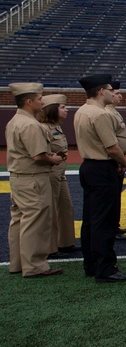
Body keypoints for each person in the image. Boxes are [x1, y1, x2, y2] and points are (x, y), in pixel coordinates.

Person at [75, 75, 126, 282]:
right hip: (102, 168)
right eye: (110, 89)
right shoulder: (99, 114)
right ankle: (105, 267)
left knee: (91, 220)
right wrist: (123, 163)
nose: (113, 92)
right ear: (101, 91)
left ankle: (91, 263)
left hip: (90, 167)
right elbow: (112, 147)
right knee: (104, 221)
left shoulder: (82, 110)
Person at [6, 83, 64, 278]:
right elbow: (38, 156)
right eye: (39, 98)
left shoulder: (14, 121)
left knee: (19, 220)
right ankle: (35, 265)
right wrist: (54, 158)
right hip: (33, 179)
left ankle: (17, 263)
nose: (42, 101)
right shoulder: (30, 124)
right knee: (36, 222)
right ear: (29, 101)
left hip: (18, 178)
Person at [38, 94, 77, 257]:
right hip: (50, 171)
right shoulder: (43, 128)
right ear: (52, 109)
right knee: (51, 208)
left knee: (65, 207)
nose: (66, 109)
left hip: (60, 172)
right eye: (62, 107)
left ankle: (66, 242)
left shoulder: (56, 126)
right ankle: (50, 246)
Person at [107, 80, 126, 240]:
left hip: (117, 160)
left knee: (115, 197)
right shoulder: (107, 113)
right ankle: (111, 228)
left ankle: (114, 225)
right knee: (110, 198)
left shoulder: (113, 112)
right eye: (116, 93)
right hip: (113, 161)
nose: (119, 96)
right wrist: (121, 162)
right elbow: (110, 143)